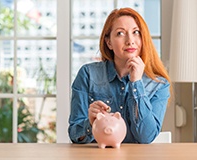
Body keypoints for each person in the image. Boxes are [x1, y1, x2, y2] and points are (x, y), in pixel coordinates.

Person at [68, 8, 171, 144]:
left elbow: (146, 138)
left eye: (136, 32)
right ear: (109, 42)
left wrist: (136, 83)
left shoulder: (159, 84)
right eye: (120, 33)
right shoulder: (88, 74)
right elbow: (75, 134)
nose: (130, 41)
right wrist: (90, 123)